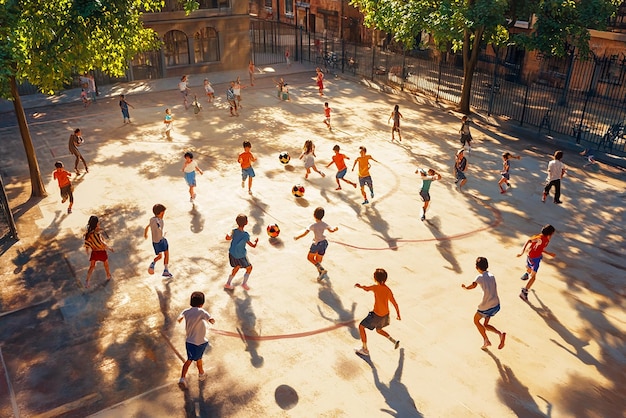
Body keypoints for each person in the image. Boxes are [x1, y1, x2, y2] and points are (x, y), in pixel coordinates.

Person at [461, 257, 506, 350]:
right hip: (496, 304)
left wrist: (465, 288)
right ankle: (500, 334)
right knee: (485, 325)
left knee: (476, 320)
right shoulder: (492, 275)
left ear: (477, 267)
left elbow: (473, 286)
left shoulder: (479, 277)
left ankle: (486, 340)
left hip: (486, 305)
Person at [354, 268, 401, 356]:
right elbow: (394, 303)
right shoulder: (388, 290)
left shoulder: (375, 287)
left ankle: (365, 349)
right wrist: (398, 314)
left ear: (375, 278)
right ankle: (393, 341)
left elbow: (367, 288)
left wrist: (360, 286)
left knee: (361, 327)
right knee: (378, 330)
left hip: (376, 315)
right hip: (385, 315)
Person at [177, 291, 215, 389]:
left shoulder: (186, 311)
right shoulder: (202, 311)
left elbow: (180, 317)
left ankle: (186, 377)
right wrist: (211, 321)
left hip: (190, 341)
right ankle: (199, 375)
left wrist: (180, 319)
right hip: (201, 342)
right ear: (202, 304)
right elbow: (210, 318)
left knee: (192, 358)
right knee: (196, 359)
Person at [294, 207, 338, 281]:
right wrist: (335, 229)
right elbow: (331, 230)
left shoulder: (313, 225)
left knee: (310, 258)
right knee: (318, 260)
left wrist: (297, 237)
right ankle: (321, 274)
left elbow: (305, 233)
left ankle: (322, 269)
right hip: (324, 243)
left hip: (316, 244)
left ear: (314, 215)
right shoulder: (324, 224)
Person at [517, 224, 556, 302]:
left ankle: (526, 274)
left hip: (530, 256)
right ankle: (524, 292)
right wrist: (521, 252)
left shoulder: (540, 238)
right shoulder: (540, 239)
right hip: (535, 259)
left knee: (529, 267)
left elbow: (540, 248)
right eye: (552, 234)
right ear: (550, 234)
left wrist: (549, 253)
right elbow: (529, 241)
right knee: (533, 277)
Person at [224, 214, 258, 290]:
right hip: (241, 255)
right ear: (246, 223)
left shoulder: (234, 231)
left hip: (232, 253)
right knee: (249, 268)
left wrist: (228, 235)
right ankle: (244, 283)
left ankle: (228, 283)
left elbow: (227, 238)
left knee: (237, 267)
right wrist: (256, 242)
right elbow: (252, 245)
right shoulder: (245, 235)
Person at [84, 215, 114, 288]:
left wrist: (87, 252)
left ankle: (87, 281)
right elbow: (102, 243)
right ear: (96, 224)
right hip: (101, 252)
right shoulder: (97, 234)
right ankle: (108, 275)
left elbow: (87, 244)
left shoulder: (88, 234)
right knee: (106, 264)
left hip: (94, 252)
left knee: (92, 266)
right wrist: (109, 248)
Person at [143, 204, 172, 278]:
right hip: (161, 241)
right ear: (161, 213)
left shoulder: (152, 219)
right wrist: (162, 234)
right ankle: (166, 270)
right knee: (166, 254)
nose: (163, 215)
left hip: (154, 242)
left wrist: (145, 233)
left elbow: (147, 226)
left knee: (159, 256)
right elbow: (159, 228)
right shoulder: (160, 221)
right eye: (163, 213)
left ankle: (152, 264)